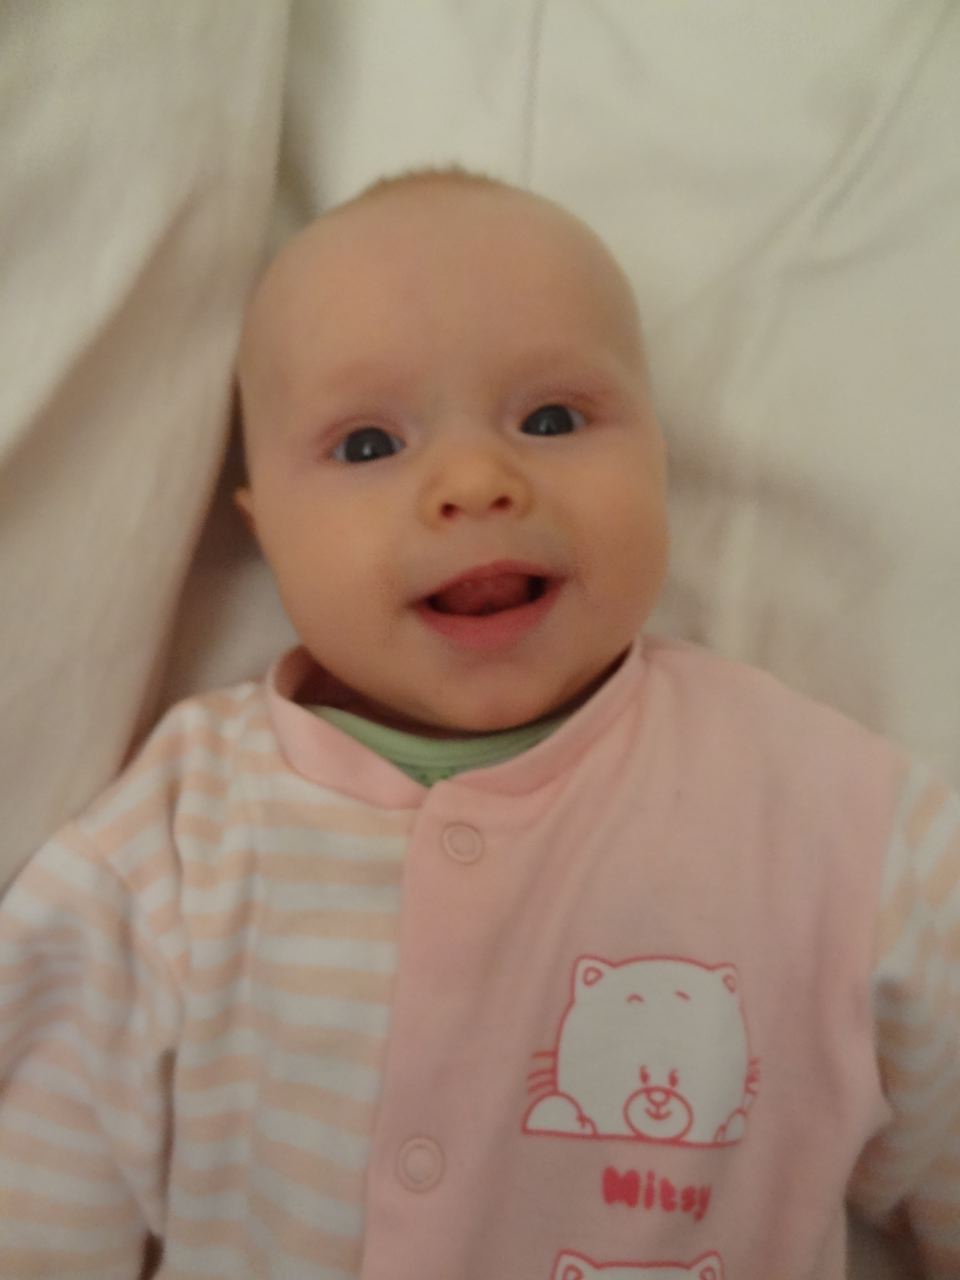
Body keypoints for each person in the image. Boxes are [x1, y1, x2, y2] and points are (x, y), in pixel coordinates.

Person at [0, 169, 957, 1280]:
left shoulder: (833, 824)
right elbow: (38, 1202)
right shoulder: (175, 842)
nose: (475, 480)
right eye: (368, 445)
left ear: (659, 459)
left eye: (552, 419)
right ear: (265, 531)